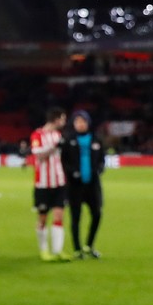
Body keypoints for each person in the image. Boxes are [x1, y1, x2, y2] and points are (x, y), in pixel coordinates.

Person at [61, 109, 104, 259]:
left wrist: (99, 169)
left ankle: (89, 246)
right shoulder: (68, 140)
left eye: (83, 121)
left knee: (97, 214)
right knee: (76, 217)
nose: (80, 124)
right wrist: (72, 172)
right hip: (74, 186)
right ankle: (77, 249)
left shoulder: (96, 139)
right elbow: (63, 161)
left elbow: (102, 159)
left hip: (93, 185)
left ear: (88, 123)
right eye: (77, 121)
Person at [31, 106, 70, 262]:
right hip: (43, 184)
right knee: (42, 218)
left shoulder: (58, 135)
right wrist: (54, 146)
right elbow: (38, 155)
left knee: (59, 216)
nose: (64, 122)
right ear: (56, 119)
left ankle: (58, 250)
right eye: (63, 119)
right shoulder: (37, 134)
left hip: (59, 182)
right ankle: (44, 250)